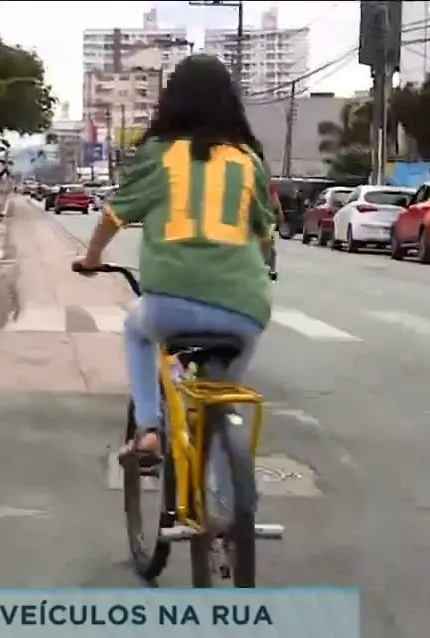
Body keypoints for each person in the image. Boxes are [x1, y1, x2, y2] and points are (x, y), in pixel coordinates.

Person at [71, 54, 277, 466]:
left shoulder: (159, 153)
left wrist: (91, 259)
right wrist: (266, 268)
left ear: (172, 100)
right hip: (245, 309)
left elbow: (113, 215)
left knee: (136, 330)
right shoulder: (249, 160)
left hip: (170, 305)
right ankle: (223, 490)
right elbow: (265, 236)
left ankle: (149, 429)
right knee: (220, 401)